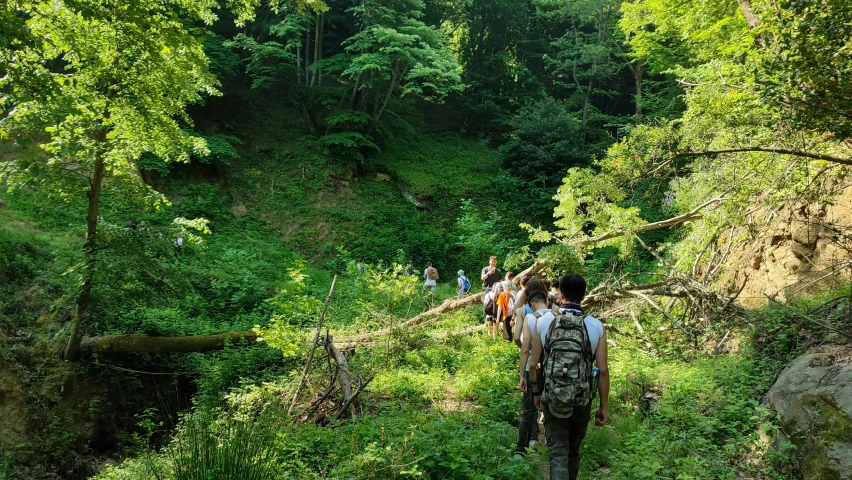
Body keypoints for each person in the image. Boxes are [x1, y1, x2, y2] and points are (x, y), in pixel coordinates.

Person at [528, 274, 609, 480]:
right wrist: (603, 406)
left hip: (553, 395)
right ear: (583, 296)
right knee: (573, 450)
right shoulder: (596, 326)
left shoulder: (545, 321)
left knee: (557, 452)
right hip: (581, 399)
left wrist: (537, 392)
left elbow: (533, 364)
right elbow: (603, 370)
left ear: (560, 295)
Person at [513, 278, 550, 454]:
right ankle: (553, 445)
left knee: (528, 410)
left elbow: (518, 341)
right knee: (550, 405)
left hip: (530, 366)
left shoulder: (524, 313)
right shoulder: (556, 311)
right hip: (551, 367)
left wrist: (522, 374)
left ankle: (522, 447)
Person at [480, 256, 503, 334]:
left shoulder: (498, 271)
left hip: (496, 291)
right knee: (486, 306)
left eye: (494, 261)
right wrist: (489, 273)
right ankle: (486, 321)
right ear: (489, 261)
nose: (493, 263)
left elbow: (500, 281)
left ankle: (496, 322)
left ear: (496, 262)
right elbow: (482, 278)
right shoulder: (485, 269)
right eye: (491, 261)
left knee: (497, 306)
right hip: (487, 290)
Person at [496, 272, 516, 341]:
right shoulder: (514, 292)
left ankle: (507, 344)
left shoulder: (502, 294)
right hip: (514, 314)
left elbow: (500, 307)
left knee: (507, 332)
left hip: (506, 315)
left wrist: (498, 318)